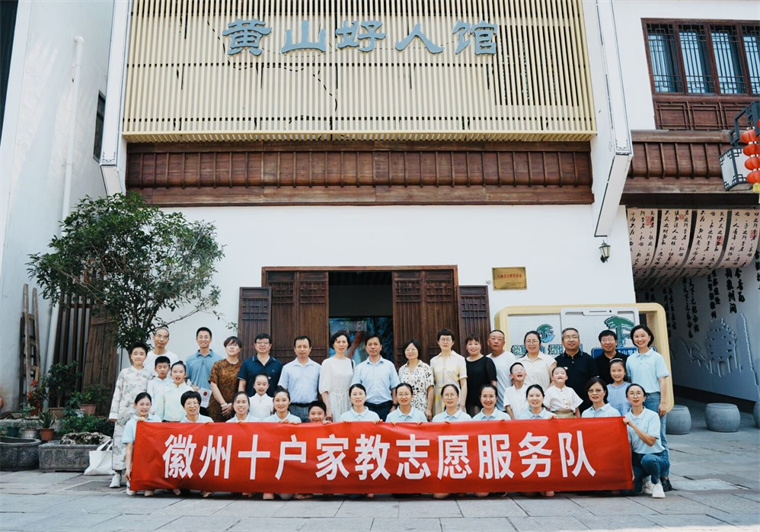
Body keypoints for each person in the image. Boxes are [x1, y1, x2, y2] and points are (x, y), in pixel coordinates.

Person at [626, 324, 672, 491]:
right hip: (636, 398)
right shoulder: (630, 359)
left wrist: (663, 401)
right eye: (636, 336)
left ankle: (665, 477)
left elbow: (663, 380)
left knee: (659, 437)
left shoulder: (656, 357)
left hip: (653, 397)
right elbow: (630, 380)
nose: (640, 339)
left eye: (643, 336)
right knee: (637, 437)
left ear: (649, 337)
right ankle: (644, 476)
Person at [108, 341, 152, 489]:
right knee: (120, 443)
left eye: (141, 354)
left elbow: (151, 395)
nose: (138, 356)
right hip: (124, 413)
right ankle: (116, 474)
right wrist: (114, 413)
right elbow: (117, 393)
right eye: (136, 354)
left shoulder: (149, 375)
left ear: (146, 356)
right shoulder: (124, 373)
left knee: (138, 444)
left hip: (142, 414)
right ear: (131, 356)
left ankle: (133, 473)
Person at [623, 384, 669, 499]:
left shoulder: (652, 416)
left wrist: (633, 426)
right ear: (627, 398)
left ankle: (656, 482)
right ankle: (643, 483)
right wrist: (630, 469)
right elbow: (628, 445)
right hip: (637, 458)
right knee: (628, 490)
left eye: (638, 393)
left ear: (644, 398)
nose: (635, 396)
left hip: (657, 456)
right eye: (632, 394)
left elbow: (650, 441)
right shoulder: (625, 417)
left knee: (648, 459)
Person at [350, 334, 399, 420]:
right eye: (370, 344)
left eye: (375, 344)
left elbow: (395, 386)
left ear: (380, 347)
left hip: (387, 407)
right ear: (366, 348)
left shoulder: (389, 365)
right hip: (366, 407)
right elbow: (355, 388)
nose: (373, 347)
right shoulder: (360, 367)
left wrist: (394, 405)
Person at [123, 392, 162, 496]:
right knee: (132, 492)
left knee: (148, 493)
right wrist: (128, 468)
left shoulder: (156, 420)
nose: (144, 407)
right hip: (137, 460)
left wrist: (145, 425)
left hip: (152, 460)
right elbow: (129, 448)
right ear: (135, 405)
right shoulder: (130, 424)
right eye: (141, 404)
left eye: (147, 404)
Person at [278, 335, 321, 422]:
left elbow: (321, 389)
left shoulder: (318, 367)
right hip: (293, 408)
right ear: (294, 349)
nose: (302, 349)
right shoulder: (287, 368)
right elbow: (283, 389)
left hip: (312, 409)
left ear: (310, 349)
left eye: (305, 346)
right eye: (299, 347)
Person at [554, 328, 596, 412]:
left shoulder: (588, 359)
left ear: (579, 341)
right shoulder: (557, 361)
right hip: (564, 406)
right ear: (562, 342)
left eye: (574, 337)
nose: (571, 340)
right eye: (567, 337)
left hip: (586, 404)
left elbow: (595, 382)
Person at [430, 328, 467, 415]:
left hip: (455, 396)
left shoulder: (459, 359)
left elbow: (463, 384)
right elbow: (432, 384)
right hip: (438, 398)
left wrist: (462, 403)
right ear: (438, 342)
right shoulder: (433, 361)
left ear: (453, 342)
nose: (445, 342)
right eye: (442, 339)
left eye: (448, 339)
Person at [319, 330, 355, 421]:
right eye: (338, 342)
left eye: (344, 342)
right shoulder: (327, 363)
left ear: (348, 344)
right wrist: (328, 408)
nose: (341, 344)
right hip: (333, 402)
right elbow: (324, 389)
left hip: (348, 402)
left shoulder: (351, 363)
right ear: (333, 344)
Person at [185, 327, 222, 416]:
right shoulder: (190, 359)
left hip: (213, 399)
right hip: (194, 400)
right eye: (200, 337)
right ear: (196, 339)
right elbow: (184, 380)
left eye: (206, 337)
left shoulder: (219, 359)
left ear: (210, 339)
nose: (203, 339)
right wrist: (190, 388)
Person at [207, 335, 243, 422]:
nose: (231, 347)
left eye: (234, 345)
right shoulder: (218, 364)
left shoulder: (243, 366)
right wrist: (223, 404)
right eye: (229, 345)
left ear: (239, 349)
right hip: (217, 404)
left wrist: (233, 404)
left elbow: (242, 387)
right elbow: (213, 385)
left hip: (236, 405)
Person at [397, 339, 434, 421]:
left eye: (413, 349)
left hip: (422, 406)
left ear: (418, 351)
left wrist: (429, 409)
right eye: (407, 350)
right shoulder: (402, 369)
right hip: (405, 407)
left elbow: (430, 389)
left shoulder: (425, 368)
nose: (410, 352)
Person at [238, 333, 283, 397]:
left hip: (272, 401)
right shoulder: (247, 363)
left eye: (265, 343)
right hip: (251, 401)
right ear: (255, 345)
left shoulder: (278, 364)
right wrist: (242, 399)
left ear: (270, 345)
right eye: (259, 343)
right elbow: (242, 385)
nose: (262, 345)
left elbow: (281, 386)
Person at [463, 334, 497, 417]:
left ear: (480, 346)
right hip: (469, 399)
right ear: (466, 347)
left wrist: (493, 397)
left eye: (476, 344)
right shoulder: (463, 362)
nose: (473, 346)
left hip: (485, 398)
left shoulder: (487, 361)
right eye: (470, 344)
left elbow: (493, 381)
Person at [487, 329, 516, 412]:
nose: (496, 341)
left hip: (509, 403)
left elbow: (515, 379)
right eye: (493, 338)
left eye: (499, 339)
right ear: (488, 342)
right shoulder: (486, 359)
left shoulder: (510, 357)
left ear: (504, 343)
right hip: (492, 404)